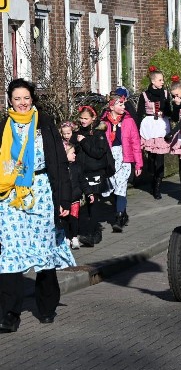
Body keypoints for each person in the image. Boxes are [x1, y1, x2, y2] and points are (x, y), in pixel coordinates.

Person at [0, 79, 76, 332]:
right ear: (10, 100)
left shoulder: (44, 125)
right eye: (17, 98)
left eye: (26, 98)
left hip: (42, 192)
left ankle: (46, 307)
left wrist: (64, 199)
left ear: (33, 100)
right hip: (11, 196)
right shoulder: (4, 126)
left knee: (44, 250)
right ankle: (9, 314)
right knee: (10, 254)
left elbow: (58, 164)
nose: (22, 103)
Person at [101, 93, 143, 232]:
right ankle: (122, 211)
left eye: (124, 104)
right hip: (109, 159)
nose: (124, 107)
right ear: (112, 106)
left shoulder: (129, 121)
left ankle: (118, 218)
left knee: (121, 187)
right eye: (120, 104)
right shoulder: (104, 122)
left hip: (124, 158)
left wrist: (138, 163)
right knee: (111, 188)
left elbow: (135, 143)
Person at [72, 106, 109, 246]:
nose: (83, 121)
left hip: (95, 173)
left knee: (93, 203)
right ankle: (90, 231)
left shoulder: (98, 134)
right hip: (82, 173)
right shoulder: (78, 133)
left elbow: (98, 153)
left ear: (93, 118)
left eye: (86, 118)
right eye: (81, 118)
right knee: (85, 204)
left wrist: (84, 142)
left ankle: (93, 234)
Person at [139, 67, 172, 200]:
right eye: (160, 80)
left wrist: (165, 112)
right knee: (151, 157)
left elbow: (169, 111)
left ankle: (157, 187)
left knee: (160, 158)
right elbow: (139, 112)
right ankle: (153, 180)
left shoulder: (165, 93)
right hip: (149, 126)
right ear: (153, 81)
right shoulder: (145, 95)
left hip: (161, 126)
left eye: (162, 79)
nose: (162, 82)